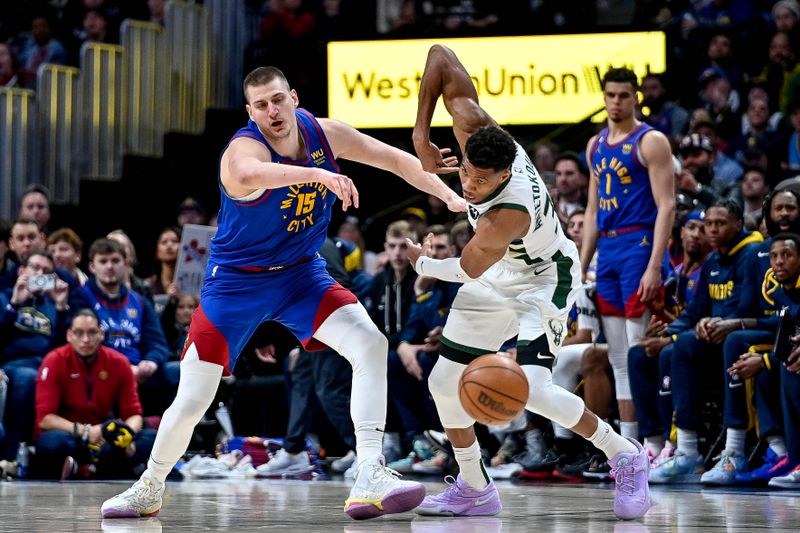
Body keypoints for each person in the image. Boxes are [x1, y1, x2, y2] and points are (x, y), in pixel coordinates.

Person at [101, 65, 464, 520]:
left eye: (278, 99)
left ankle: (370, 469)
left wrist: (448, 196)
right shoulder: (241, 150)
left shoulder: (325, 134)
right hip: (236, 281)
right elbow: (253, 175)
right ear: (250, 112)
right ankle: (149, 486)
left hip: (299, 277)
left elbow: (394, 159)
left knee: (370, 343)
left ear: (293, 97)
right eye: (260, 105)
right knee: (194, 395)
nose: (272, 111)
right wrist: (317, 177)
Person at [407, 44, 651, 520]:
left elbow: (466, 268)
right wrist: (420, 135)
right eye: (467, 175)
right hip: (498, 273)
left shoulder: (508, 212)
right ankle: (475, 487)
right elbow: (440, 57)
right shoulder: (474, 127)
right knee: (443, 381)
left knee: (535, 389)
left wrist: (423, 264)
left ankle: (625, 454)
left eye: (480, 183)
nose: (468, 188)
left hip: (544, 280)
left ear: (505, 174)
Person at [581, 67, 676, 445]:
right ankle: (631, 446)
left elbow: (667, 206)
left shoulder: (650, 141)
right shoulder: (595, 145)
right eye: (611, 95)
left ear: (636, 97)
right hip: (609, 248)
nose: (617, 101)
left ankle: (655, 442)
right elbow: (590, 210)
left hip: (640, 244)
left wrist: (655, 264)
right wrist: (582, 263)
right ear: (603, 97)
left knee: (639, 352)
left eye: (624, 95)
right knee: (618, 356)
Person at [34, 309, 156, 479]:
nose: (85, 339)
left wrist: (126, 435)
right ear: (69, 335)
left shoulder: (119, 362)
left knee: (154, 438)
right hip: (71, 434)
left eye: (91, 332)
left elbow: (133, 414)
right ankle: (106, 468)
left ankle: (84, 468)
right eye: (79, 333)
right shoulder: (54, 360)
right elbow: (45, 419)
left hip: (105, 437)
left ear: (101, 334)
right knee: (51, 443)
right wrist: (86, 432)